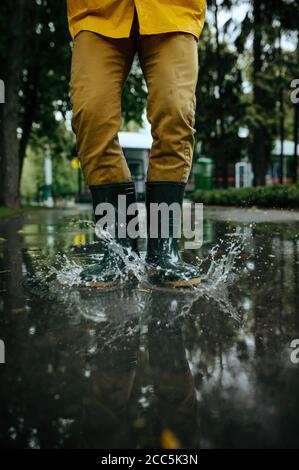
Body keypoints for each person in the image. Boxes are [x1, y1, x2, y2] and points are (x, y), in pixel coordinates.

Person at [67, 0, 206, 288]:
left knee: (175, 109)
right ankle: (118, 250)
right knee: (90, 113)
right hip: (97, 11)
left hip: (173, 10)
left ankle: (162, 250)